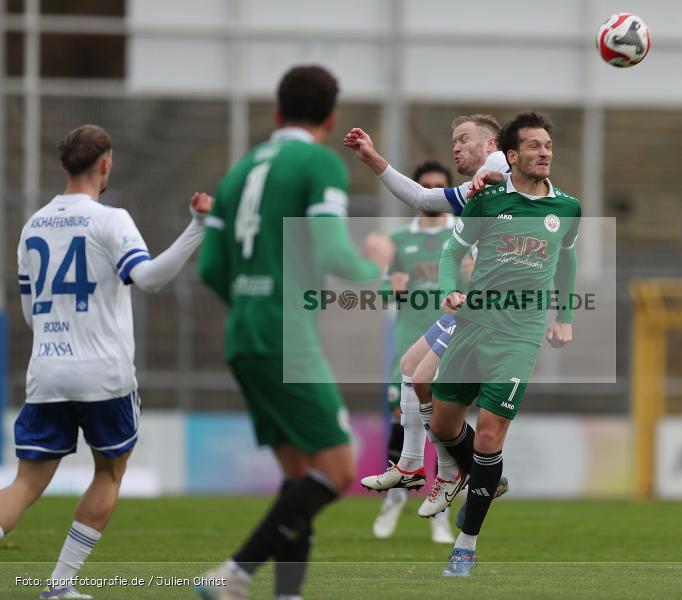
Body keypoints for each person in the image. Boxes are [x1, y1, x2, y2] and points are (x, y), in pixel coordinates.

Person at [196, 65, 393, 600]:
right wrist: (373, 264)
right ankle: (234, 575)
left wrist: (251, 300)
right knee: (339, 468)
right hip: (285, 333)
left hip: (243, 332)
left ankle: (287, 593)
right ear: (331, 118)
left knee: (299, 474)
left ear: (278, 112)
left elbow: (211, 267)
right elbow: (332, 250)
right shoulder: (319, 163)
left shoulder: (237, 173)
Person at [2, 124, 212, 600]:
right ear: (105, 164)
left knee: (26, 484)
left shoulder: (32, 225)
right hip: (103, 376)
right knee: (108, 473)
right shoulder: (110, 219)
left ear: (62, 165)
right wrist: (196, 228)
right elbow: (150, 279)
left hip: (48, 371)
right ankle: (59, 586)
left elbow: (31, 313)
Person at [429, 111, 580, 576]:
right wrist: (450, 290)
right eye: (534, 145)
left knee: (490, 434)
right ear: (511, 155)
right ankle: (486, 477)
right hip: (473, 324)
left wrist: (565, 315)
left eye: (548, 146)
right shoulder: (488, 200)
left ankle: (466, 542)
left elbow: (567, 259)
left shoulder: (568, 208)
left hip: (519, 334)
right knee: (442, 425)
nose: (544, 152)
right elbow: (452, 251)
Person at [345, 116, 510, 518]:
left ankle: (461, 469)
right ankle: (413, 466)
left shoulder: (506, 171)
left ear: (490, 145)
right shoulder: (474, 194)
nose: (455, 147)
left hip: (499, 312)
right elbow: (420, 197)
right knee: (410, 369)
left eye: (463, 139)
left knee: (424, 382)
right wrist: (372, 159)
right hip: (473, 306)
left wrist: (489, 174)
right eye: (453, 139)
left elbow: (507, 165)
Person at [372, 160, 466, 544]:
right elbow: (382, 294)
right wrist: (392, 286)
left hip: (450, 341)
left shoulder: (460, 236)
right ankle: (394, 499)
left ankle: (439, 512)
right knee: (401, 419)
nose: (430, 193)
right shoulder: (398, 241)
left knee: (443, 421)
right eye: (424, 187)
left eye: (437, 186)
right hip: (409, 342)